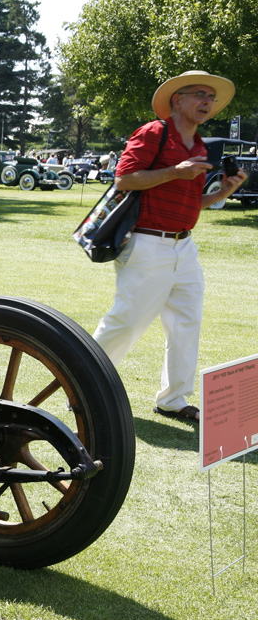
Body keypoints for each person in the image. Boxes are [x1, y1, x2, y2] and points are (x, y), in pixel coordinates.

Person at [91, 70, 245, 425]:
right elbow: (124, 179)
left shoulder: (201, 146)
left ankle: (173, 400)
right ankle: (83, 382)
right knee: (127, 321)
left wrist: (223, 191)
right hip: (146, 242)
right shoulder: (154, 133)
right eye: (199, 95)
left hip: (183, 247)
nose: (207, 102)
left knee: (186, 323)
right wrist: (176, 171)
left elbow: (192, 205)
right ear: (178, 100)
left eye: (211, 97)